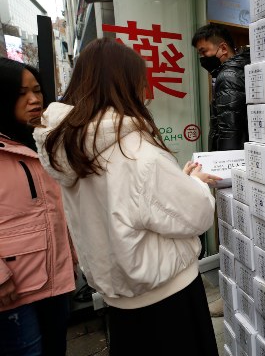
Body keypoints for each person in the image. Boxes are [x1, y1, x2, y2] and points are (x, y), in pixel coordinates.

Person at [34, 38, 221, 355]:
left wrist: (180, 179)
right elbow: (196, 215)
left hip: (119, 306)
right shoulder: (135, 153)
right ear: (125, 84)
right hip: (168, 301)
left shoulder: (70, 148)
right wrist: (197, 184)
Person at [0, 58, 76, 355]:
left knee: (56, 347)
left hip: (53, 277)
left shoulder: (42, 140)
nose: (34, 100)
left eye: (37, 90)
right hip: (11, 290)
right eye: (21, 93)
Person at [192, 23, 250, 151]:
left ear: (223, 48)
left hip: (229, 159)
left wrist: (224, 166)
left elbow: (230, 130)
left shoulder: (228, 76)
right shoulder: (241, 69)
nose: (202, 58)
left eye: (204, 51)